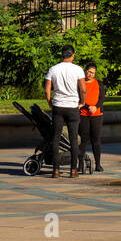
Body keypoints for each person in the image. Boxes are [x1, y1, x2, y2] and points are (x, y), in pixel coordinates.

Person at [43, 45, 86, 178]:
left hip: (58, 106)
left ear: (62, 55)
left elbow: (47, 89)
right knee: (73, 139)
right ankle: (73, 170)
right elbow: (83, 89)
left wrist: (50, 102)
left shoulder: (53, 69)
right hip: (72, 106)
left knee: (55, 138)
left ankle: (55, 170)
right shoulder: (78, 69)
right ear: (72, 55)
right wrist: (82, 102)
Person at [78, 60, 106, 174]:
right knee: (83, 140)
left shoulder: (99, 83)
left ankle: (98, 164)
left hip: (97, 115)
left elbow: (102, 98)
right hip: (83, 115)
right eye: (89, 72)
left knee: (96, 140)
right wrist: (88, 106)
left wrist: (96, 107)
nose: (90, 75)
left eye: (93, 73)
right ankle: (80, 164)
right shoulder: (80, 83)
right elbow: (78, 99)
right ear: (85, 71)